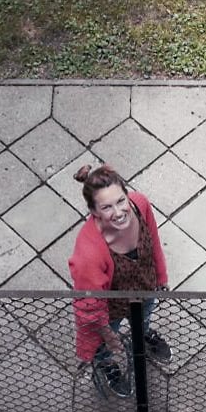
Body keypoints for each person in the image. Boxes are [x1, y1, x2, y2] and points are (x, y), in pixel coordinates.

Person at [68, 164, 172, 398]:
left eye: (120, 201)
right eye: (106, 207)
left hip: (145, 289)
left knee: (143, 320)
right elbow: (89, 307)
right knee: (104, 347)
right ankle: (106, 366)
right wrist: (108, 335)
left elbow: (153, 239)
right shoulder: (89, 252)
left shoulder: (140, 204)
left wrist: (161, 276)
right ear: (94, 211)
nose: (118, 212)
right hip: (110, 310)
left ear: (127, 196)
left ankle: (142, 336)